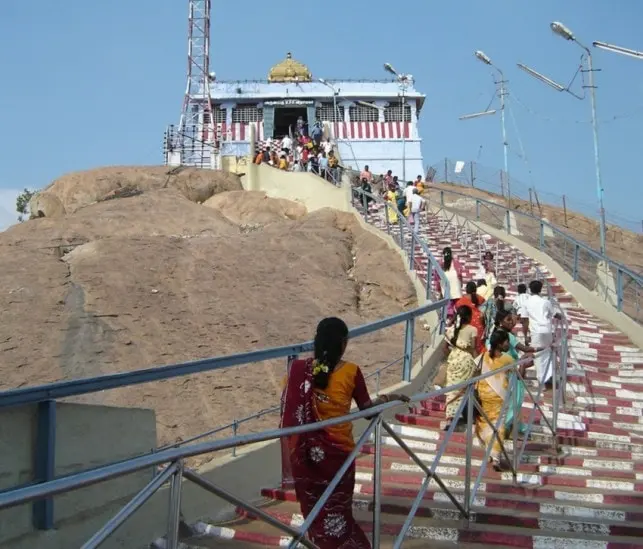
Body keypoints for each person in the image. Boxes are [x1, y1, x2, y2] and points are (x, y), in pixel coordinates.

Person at [280, 317, 409, 549]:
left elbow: (290, 408)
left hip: (306, 458)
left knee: (316, 512)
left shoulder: (298, 371)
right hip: (339, 458)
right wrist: (391, 398)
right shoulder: (351, 371)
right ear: (343, 344)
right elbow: (367, 411)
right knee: (337, 512)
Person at [486, 309, 544, 434]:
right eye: (508, 320)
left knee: (512, 402)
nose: (511, 322)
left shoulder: (498, 333)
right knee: (515, 402)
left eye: (511, 319)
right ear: (501, 321)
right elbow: (524, 349)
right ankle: (504, 426)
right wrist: (541, 349)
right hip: (511, 371)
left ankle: (516, 426)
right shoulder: (506, 336)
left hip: (508, 369)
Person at [476, 329, 514, 471]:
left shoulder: (483, 356)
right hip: (498, 398)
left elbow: (475, 371)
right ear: (499, 343)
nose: (508, 344)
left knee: (485, 423)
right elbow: (519, 373)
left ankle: (490, 452)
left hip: (482, 396)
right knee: (499, 426)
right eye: (506, 341)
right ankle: (496, 458)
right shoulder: (507, 359)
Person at [443, 305, 479, 431]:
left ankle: (450, 418)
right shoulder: (472, 330)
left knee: (451, 389)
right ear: (469, 317)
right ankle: (462, 415)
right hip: (466, 362)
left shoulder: (451, 330)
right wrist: (478, 364)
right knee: (462, 389)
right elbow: (474, 348)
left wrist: (454, 355)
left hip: (453, 360)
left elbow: (444, 348)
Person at [524, 280, 561, 387]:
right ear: (540, 289)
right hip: (547, 330)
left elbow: (525, 320)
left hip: (536, 332)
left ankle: (542, 380)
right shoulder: (546, 302)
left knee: (538, 356)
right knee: (548, 352)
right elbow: (554, 314)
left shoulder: (527, 302)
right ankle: (549, 376)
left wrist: (526, 335)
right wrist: (561, 317)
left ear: (530, 289)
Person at [456, 281, 486, 354]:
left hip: (467, 325)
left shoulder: (460, 301)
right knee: (478, 346)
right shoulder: (480, 298)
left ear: (466, 289)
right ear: (475, 289)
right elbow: (484, 310)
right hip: (479, 324)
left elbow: (458, 314)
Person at [434, 247, 463, 321]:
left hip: (446, 283)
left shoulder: (440, 263)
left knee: (448, 303)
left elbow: (437, 277)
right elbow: (459, 273)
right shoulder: (455, 262)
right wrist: (461, 282)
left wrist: (438, 289)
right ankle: (456, 317)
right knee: (457, 302)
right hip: (455, 283)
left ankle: (449, 318)